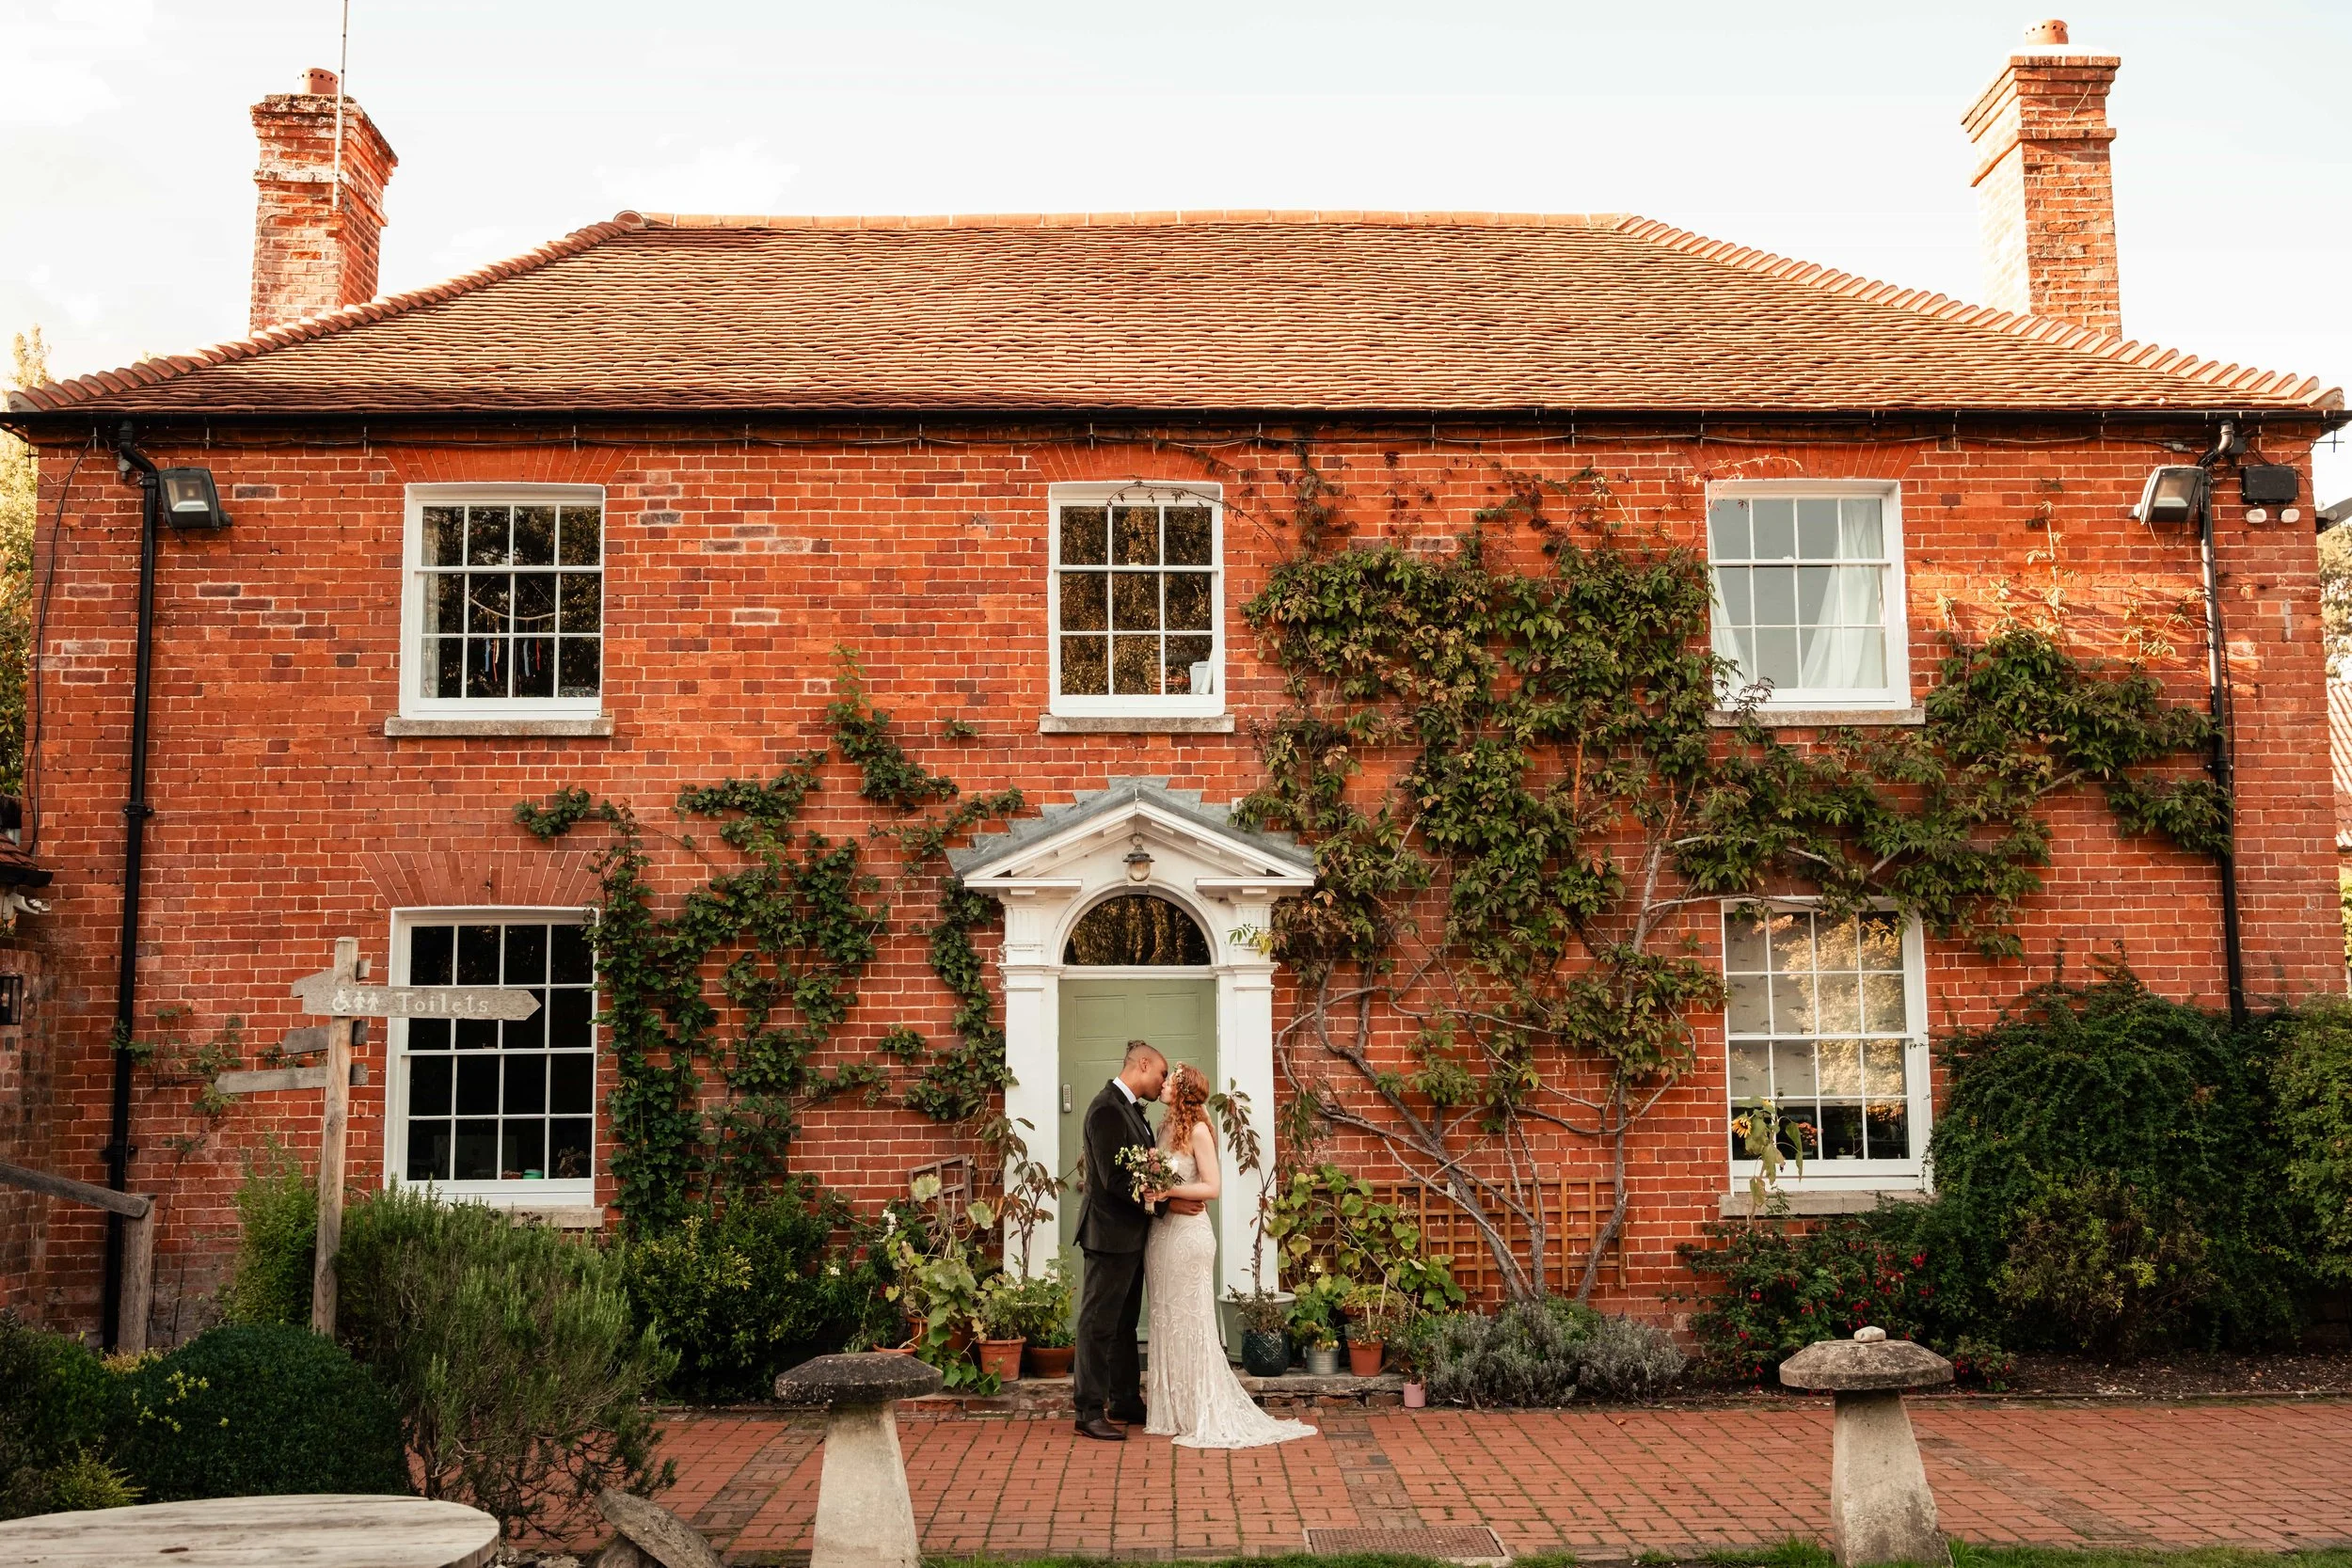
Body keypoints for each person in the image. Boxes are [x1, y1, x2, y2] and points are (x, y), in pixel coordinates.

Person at [1140, 1062, 1317, 1449]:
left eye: (1172, 1080)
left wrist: (1170, 1192)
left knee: (1191, 1320)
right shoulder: (1164, 1128)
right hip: (1161, 1235)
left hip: (1190, 1239)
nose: (1164, 1082)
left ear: (1185, 1091)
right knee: (1165, 1316)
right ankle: (1171, 1409)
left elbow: (1212, 1187)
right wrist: (1155, 1193)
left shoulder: (1200, 1130)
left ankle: (1200, 1409)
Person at [1070, 1039, 1200, 1441]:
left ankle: (1124, 1397)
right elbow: (1116, 1178)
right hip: (1108, 1234)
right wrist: (1168, 1205)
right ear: (1142, 1064)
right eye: (1161, 1072)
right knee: (1098, 1323)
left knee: (1123, 1324)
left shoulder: (1131, 1110)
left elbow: (1143, 1168)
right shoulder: (1106, 1108)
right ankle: (1088, 1411)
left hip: (1129, 1235)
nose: (1163, 1081)